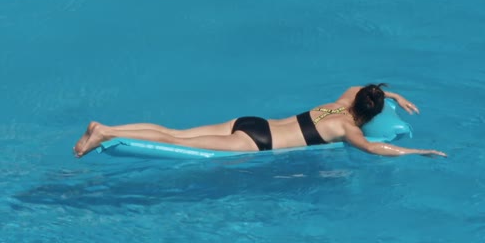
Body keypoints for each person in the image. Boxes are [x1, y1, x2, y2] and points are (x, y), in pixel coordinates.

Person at [73, 84, 447, 158]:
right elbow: (375, 147)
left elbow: (364, 84)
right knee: (177, 144)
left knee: (175, 132)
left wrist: (394, 93)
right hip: (254, 144)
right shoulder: (346, 129)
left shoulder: (339, 101)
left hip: (251, 122)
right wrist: (418, 151)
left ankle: (108, 127)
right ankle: (104, 133)